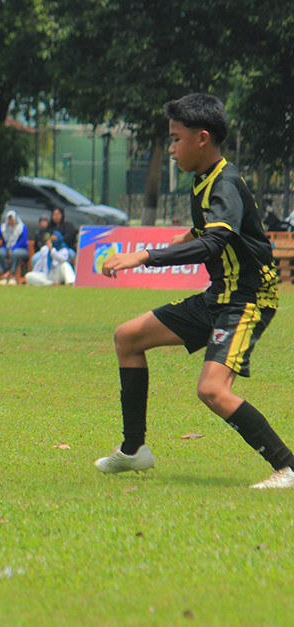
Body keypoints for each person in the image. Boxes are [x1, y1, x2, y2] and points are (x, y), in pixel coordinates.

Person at [96, 92, 293, 489]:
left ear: (202, 138)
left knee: (212, 390)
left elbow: (215, 242)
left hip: (247, 300)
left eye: (175, 138)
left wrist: (145, 256)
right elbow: (206, 231)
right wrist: (179, 238)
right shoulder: (204, 179)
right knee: (128, 337)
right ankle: (134, 451)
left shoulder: (226, 183)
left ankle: (288, 467)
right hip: (218, 295)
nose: (170, 149)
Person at [0, 210, 29, 285]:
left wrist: (13, 249)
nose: (11, 221)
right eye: (9, 219)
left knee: (15, 254)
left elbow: (22, 241)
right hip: (6, 248)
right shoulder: (4, 228)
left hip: (21, 249)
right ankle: (4, 273)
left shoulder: (22, 228)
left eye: (12, 219)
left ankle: (12, 274)